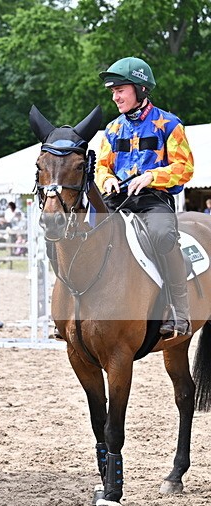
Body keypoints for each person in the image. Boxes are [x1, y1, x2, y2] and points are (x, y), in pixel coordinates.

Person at [96, 56, 194, 337]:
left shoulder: (170, 124)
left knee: (163, 235)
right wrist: (107, 179)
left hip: (154, 200)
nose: (115, 97)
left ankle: (180, 310)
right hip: (117, 199)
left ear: (140, 89)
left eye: (120, 90)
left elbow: (185, 168)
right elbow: (102, 167)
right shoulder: (112, 129)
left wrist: (152, 176)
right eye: (113, 92)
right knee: (84, 232)